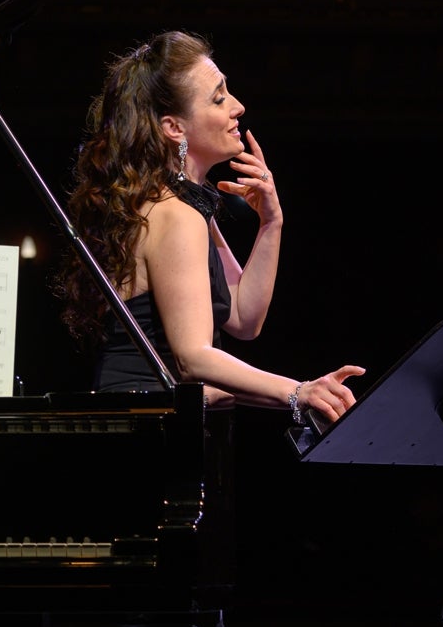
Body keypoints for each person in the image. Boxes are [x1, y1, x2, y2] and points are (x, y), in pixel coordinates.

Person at [56, 29, 363, 425]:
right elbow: (194, 357)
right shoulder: (174, 214)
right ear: (174, 128)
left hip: (154, 419)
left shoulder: (184, 207)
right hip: (144, 425)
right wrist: (299, 391)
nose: (237, 106)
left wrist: (272, 223)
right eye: (219, 98)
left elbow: (242, 318)